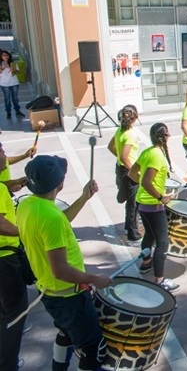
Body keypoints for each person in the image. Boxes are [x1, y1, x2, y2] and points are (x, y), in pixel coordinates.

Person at [17, 156, 112, 371]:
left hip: (49, 292)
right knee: (93, 349)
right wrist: (94, 279)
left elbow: (59, 221)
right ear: (59, 184)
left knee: (65, 333)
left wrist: (84, 198)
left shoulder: (28, 205)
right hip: (69, 297)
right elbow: (60, 270)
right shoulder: (52, 218)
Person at [128, 123, 180, 292]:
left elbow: (132, 173)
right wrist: (160, 197)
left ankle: (146, 263)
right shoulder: (157, 155)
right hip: (153, 204)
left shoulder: (147, 152)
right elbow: (145, 181)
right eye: (168, 133)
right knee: (162, 242)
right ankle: (159, 280)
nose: (169, 136)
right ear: (163, 136)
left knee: (149, 235)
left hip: (142, 203)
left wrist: (145, 189)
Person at [0, 145, 26, 371]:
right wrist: (23, 232)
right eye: (1, 152)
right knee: (15, 317)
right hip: (5, 260)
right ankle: (8, 365)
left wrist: (12, 184)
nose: (5, 156)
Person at [108, 104, 141, 241]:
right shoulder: (130, 135)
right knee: (134, 202)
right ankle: (133, 233)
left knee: (128, 200)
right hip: (128, 171)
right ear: (135, 118)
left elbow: (110, 147)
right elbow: (124, 156)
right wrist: (135, 172)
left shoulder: (119, 131)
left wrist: (119, 157)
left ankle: (128, 225)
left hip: (120, 169)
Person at [0, 51, 23, 119]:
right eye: (3, 55)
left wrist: (14, 70)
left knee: (15, 98)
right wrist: (2, 68)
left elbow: (18, 71)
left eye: (7, 55)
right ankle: (8, 112)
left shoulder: (13, 63)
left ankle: (17, 111)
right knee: (7, 99)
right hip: (4, 84)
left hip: (14, 83)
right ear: (1, 56)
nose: (5, 57)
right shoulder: (1, 63)